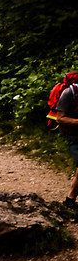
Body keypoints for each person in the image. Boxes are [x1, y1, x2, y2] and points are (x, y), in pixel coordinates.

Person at [48, 67, 78, 214]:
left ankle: (70, 201)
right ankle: (69, 201)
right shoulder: (69, 92)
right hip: (75, 136)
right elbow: (60, 119)